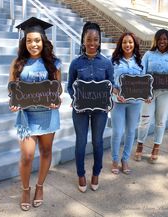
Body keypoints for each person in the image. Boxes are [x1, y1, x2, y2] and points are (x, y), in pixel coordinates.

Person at [8, 17, 62, 211]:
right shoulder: (18, 63)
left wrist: (57, 101)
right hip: (27, 117)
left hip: (48, 115)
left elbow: (58, 90)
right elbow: (12, 90)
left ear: (44, 41)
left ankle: (40, 187)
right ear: (25, 42)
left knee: (46, 152)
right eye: (29, 40)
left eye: (37, 40)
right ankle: (25, 189)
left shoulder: (53, 63)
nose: (33, 44)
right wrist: (13, 104)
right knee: (27, 156)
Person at [67, 22, 114, 192]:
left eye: (96, 39)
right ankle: (81, 174)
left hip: (100, 110)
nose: (92, 42)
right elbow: (69, 86)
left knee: (97, 141)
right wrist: (75, 97)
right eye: (89, 39)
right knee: (81, 141)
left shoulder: (107, 63)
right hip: (80, 109)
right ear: (83, 41)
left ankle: (96, 173)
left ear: (100, 41)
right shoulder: (76, 63)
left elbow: (111, 84)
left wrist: (110, 97)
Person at [134, 29, 168, 163]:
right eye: (160, 39)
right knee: (145, 120)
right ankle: (140, 145)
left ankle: (156, 147)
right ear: (156, 40)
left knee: (161, 121)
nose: (162, 41)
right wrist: (143, 92)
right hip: (150, 93)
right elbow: (142, 73)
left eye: (165, 39)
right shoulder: (149, 54)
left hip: (166, 94)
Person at [110, 32, 143, 174]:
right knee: (117, 132)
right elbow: (109, 82)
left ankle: (125, 160)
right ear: (120, 44)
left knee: (130, 132)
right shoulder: (114, 61)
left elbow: (145, 82)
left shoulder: (140, 62)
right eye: (124, 42)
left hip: (135, 103)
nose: (127, 45)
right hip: (118, 102)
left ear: (134, 44)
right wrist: (115, 91)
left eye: (130, 42)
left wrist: (146, 95)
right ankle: (115, 160)